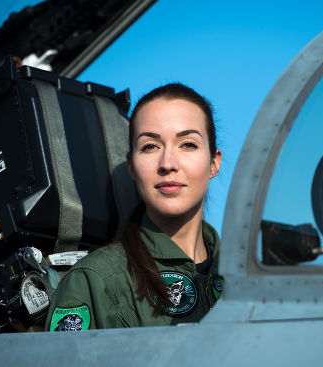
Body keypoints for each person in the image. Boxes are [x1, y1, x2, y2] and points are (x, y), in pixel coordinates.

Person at [45, 83, 223, 330]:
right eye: (150, 146)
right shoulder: (95, 281)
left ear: (214, 163)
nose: (167, 163)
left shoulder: (250, 279)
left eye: (188, 144)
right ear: (131, 166)